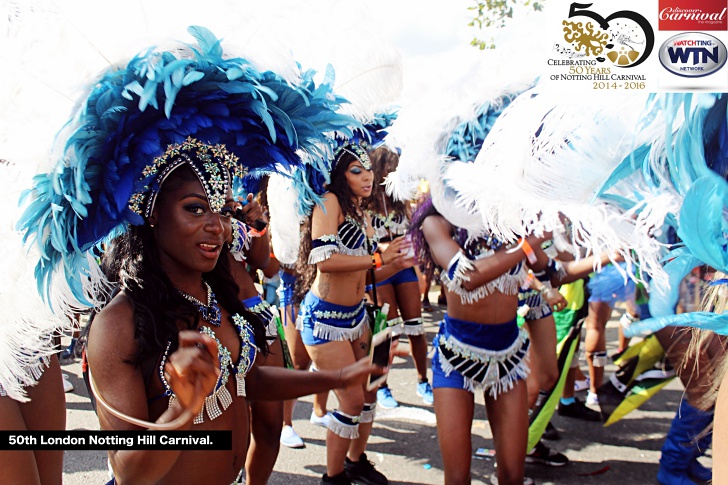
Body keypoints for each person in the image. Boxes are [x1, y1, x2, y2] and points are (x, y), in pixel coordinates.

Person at [15, 27, 379, 485]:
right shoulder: (119, 324)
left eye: (222, 210)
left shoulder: (216, 295)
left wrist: (332, 378)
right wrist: (182, 408)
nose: (217, 225)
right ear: (152, 216)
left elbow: (246, 378)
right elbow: (129, 472)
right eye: (195, 209)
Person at [410, 194, 548, 485]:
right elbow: (467, 276)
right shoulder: (436, 223)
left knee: (513, 475)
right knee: (458, 477)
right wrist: (528, 244)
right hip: (456, 357)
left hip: (508, 358)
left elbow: (556, 273)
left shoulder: (514, 223)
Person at [296, 142, 409, 485]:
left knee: (370, 390)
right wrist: (379, 259)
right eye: (355, 170)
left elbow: (367, 273)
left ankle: (355, 462)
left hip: (358, 316)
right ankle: (333, 479)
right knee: (350, 399)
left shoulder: (361, 211)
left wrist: (400, 262)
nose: (367, 177)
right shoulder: (329, 203)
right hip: (325, 320)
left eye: (368, 169)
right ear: (339, 175)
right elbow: (325, 261)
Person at [367, 146, 433, 407]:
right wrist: (383, 250)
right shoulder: (363, 202)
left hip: (404, 268)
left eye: (394, 169)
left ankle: (422, 381)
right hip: (380, 271)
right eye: (386, 168)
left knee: (416, 326)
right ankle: (381, 386)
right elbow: (362, 242)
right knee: (386, 330)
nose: (391, 173)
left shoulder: (400, 201)